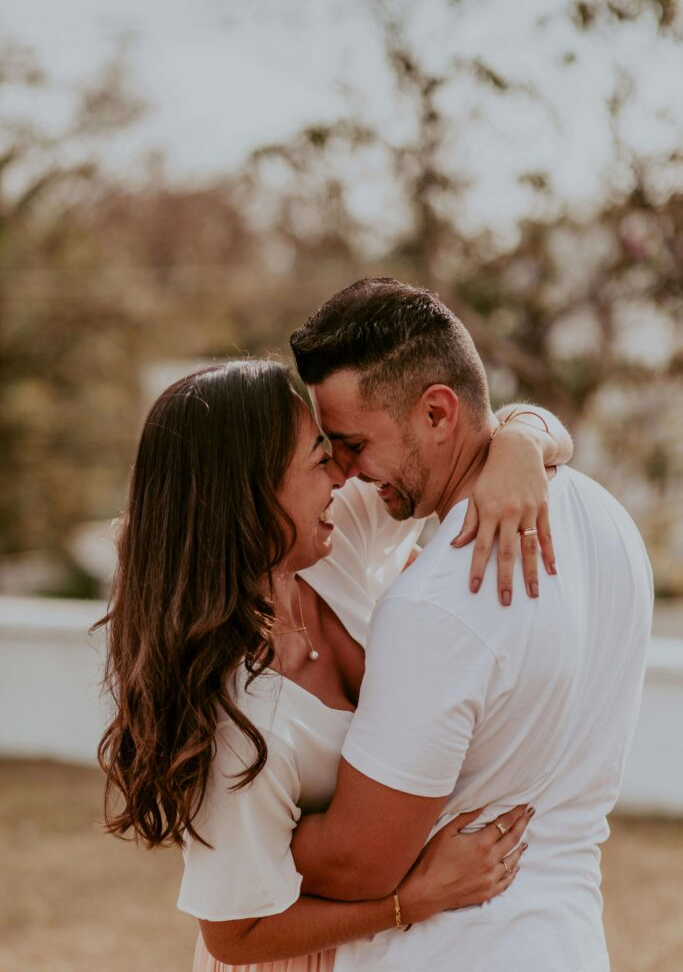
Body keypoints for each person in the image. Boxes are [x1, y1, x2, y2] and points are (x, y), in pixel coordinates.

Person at [97, 358, 571, 971]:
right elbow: (233, 934)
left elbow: (463, 432)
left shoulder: (333, 537)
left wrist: (520, 444)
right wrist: (411, 901)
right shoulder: (237, 721)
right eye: (321, 460)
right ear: (253, 494)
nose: (344, 474)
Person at [284, 277, 654, 972]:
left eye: (353, 443)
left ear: (436, 412)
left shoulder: (436, 602)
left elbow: (358, 865)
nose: (347, 472)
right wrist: (522, 432)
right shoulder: (602, 515)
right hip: (567, 942)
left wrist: (219, 825)